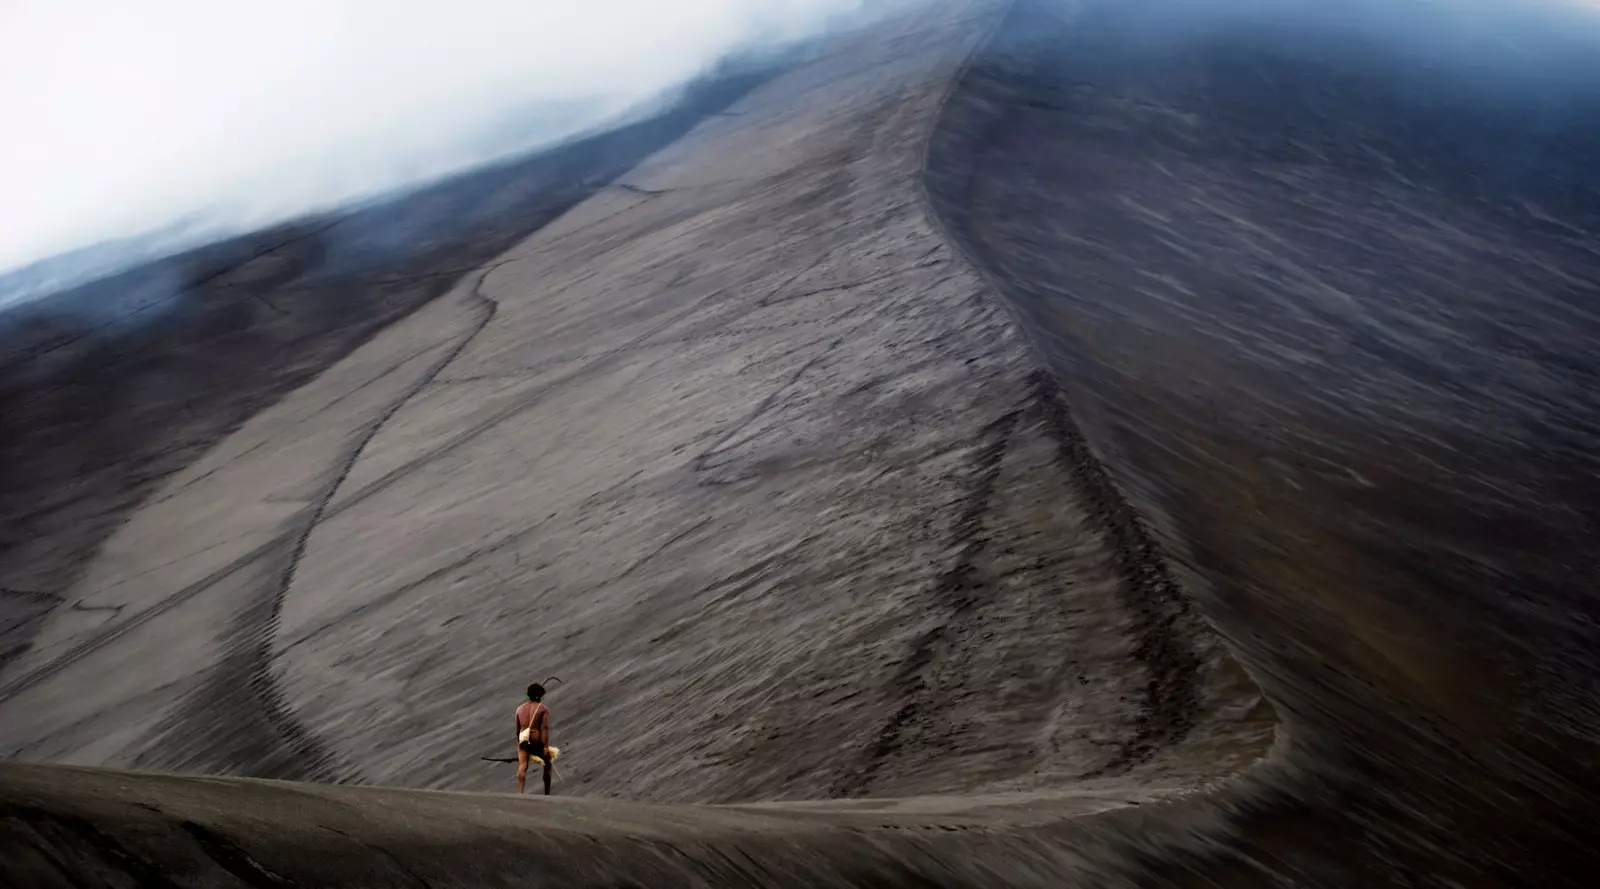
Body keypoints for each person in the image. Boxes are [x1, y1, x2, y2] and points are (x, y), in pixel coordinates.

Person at [515, 683, 553, 795]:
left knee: (522, 766)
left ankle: (520, 792)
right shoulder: (543, 709)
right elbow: (545, 728)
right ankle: (547, 793)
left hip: (523, 740)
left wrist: (520, 745)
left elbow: (517, 730)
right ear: (540, 695)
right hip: (537, 741)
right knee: (547, 764)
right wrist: (545, 747)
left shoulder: (519, 709)